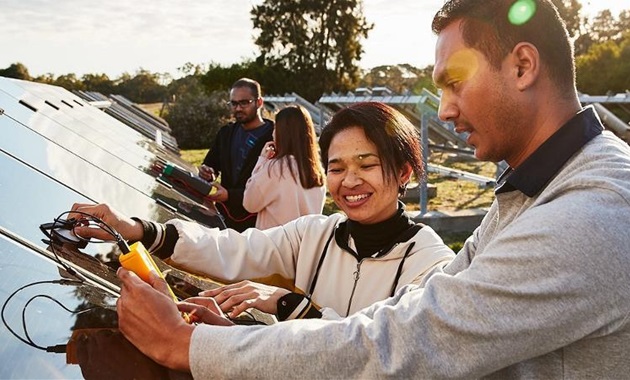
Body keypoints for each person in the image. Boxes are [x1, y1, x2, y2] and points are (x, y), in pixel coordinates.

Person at [82, 0, 630, 376]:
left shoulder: (591, 214)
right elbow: (400, 322)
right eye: (338, 165)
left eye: (454, 82)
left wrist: (191, 346)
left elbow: (405, 344)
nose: (445, 109)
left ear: (523, 65)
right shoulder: (531, 192)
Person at [73, 102, 454, 322]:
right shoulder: (314, 234)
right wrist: (138, 230)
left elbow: (389, 353)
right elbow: (233, 249)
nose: (348, 181)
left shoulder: (431, 265)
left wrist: (290, 305)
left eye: (366, 165)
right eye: (337, 168)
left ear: (404, 172)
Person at [198, 78, 274, 232]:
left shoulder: (274, 136)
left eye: (244, 102)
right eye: (233, 103)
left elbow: (273, 185)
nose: (238, 108)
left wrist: (230, 196)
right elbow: (211, 165)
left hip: (259, 222)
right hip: (224, 217)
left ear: (259, 102)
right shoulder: (226, 133)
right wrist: (206, 172)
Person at [242, 105, 326, 230]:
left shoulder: (275, 169)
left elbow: (249, 203)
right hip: (306, 245)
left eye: (276, 127)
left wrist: (262, 161)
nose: (273, 132)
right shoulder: (316, 170)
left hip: (276, 245)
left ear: (283, 132)